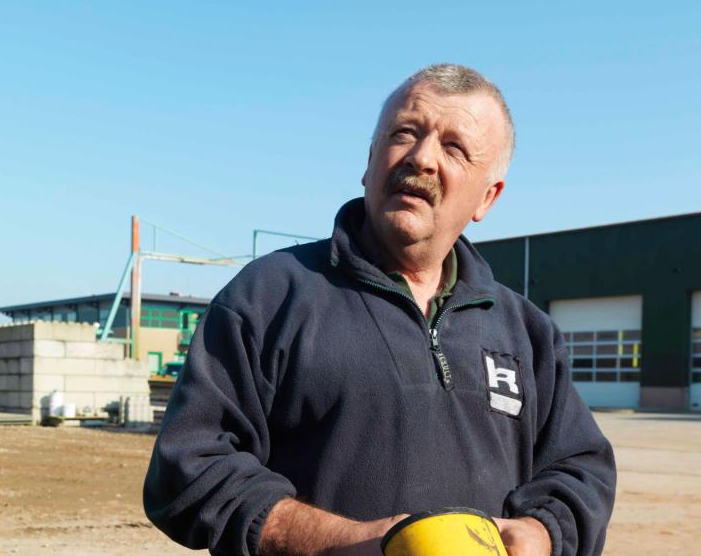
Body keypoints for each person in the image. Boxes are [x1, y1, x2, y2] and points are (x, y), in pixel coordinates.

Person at [143, 64, 616, 556]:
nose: (422, 157)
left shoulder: (526, 331)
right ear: (370, 162)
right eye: (404, 133)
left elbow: (582, 465)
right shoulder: (269, 297)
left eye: (454, 147)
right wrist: (357, 543)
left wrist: (541, 532)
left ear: (488, 198)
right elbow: (188, 469)